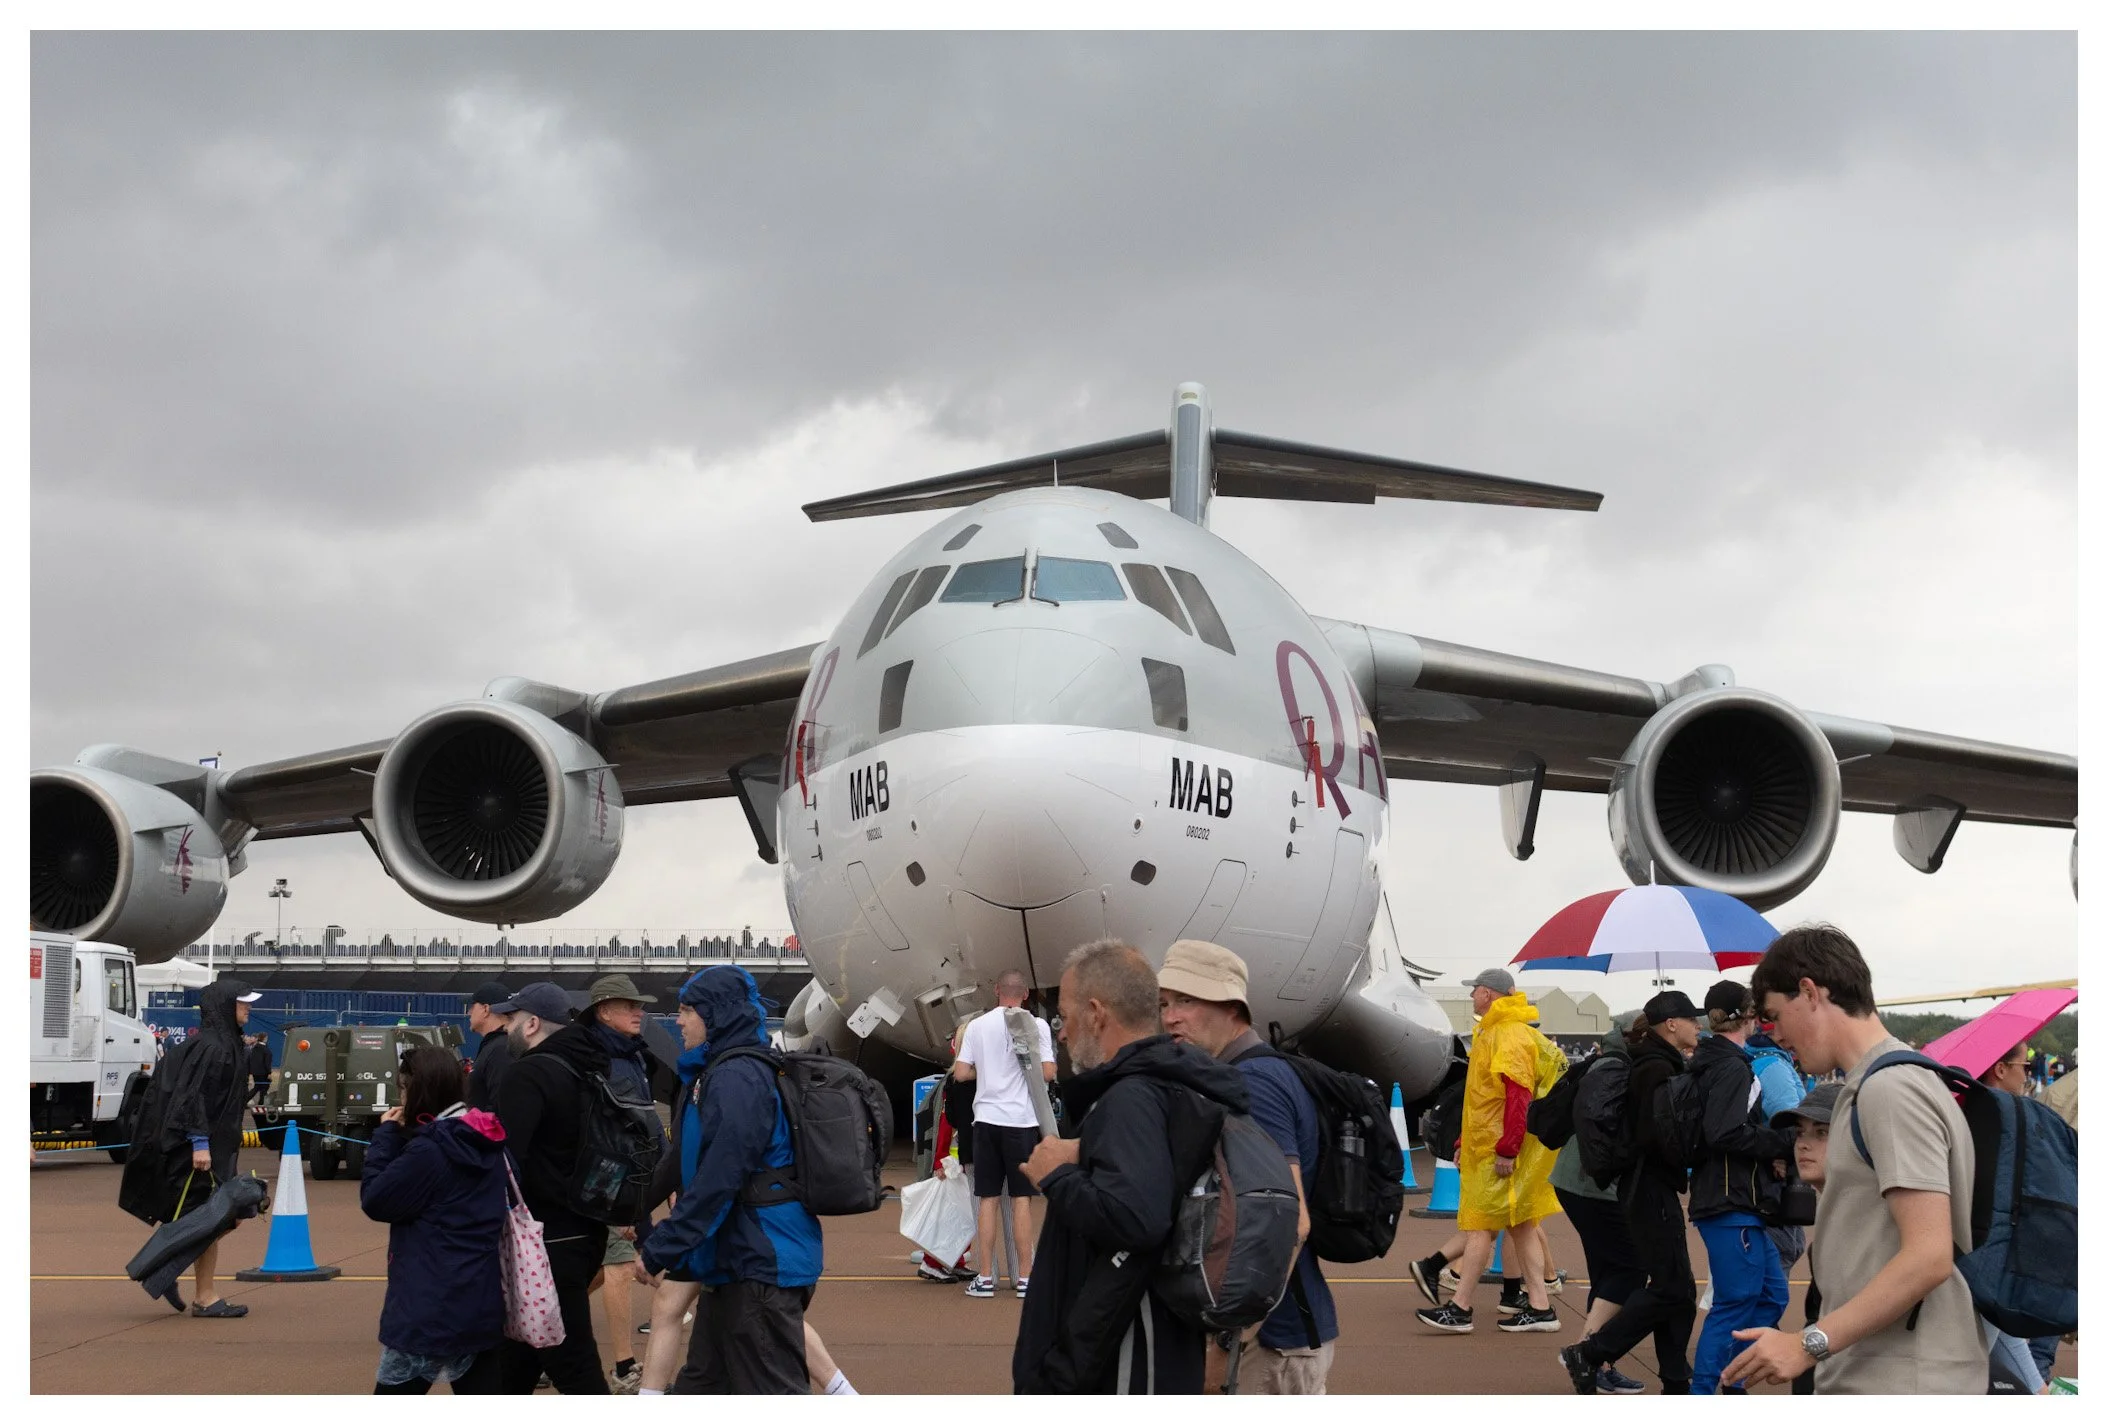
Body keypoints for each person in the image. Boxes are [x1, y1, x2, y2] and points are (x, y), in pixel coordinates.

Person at [1722, 924, 1988, 1394]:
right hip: (1889, 1368)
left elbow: (1929, 1256)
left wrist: (1807, 1344)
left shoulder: (1890, 1088)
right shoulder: (1879, 1083)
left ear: (1809, 992)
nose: (1776, 1035)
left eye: (1774, 1016)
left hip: (1903, 1378)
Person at [1013, 939, 1249, 1394]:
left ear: (1098, 1014)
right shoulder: (1166, 1087)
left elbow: (1136, 1218)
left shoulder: (1131, 1097)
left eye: (1065, 1016)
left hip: (1127, 1357)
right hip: (1148, 1347)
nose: (1061, 1033)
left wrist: (1055, 1176)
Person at [1156, 940, 1337, 1394]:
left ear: (1231, 1008)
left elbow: (1290, 1220)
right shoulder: (1241, 1074)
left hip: (1269, 1343)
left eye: (1187, 1000)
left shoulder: (1253, 1083)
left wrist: (1226, 1343)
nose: (1170, 1016)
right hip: (1278, 1331)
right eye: (1164, 1003)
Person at [635, 966, 823, 1395]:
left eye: (687, 1010)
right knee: (702, 1386)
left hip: (760, 1263)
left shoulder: (737, 1076)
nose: (678, 1020)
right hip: (733, 1264)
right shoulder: (717, 1071)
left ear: (716, 1014)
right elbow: (683, 1162)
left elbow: (720, 1175)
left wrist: (662, 1247)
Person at [1558, 991, 1702, 1393]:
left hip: (1646, 1187)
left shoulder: (1655, 1062)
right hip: (1649, 1187)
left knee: (1679, 1288)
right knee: (1671, 1287)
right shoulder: (1656, 1068)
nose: (1698, 1026)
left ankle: (1675, 1379)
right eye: (1692, 1019)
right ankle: (1590, 1352)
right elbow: (1652, 1132)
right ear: (1671, 1024)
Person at [1417, 968, 1562, 1334]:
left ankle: (1461, 1307)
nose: (1471, 998)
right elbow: (1486, 1099)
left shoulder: (1507, 1035)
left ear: (1489, 994)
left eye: (1475, 991)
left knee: (1480, 1227)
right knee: (1523, 1226)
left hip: (1498, 1151)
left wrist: (1507, 1149)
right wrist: (1466, 1142)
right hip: (1491, 1146)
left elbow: (1518, 1096)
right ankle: (1541, 1308)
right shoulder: (1497, 1032)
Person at [485, 981, 613, 1394]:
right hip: (585, 1228)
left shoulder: (528, 1074)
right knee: (511, 1364)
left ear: (534, 1023)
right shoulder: (589, 1068)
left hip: (542, 1243)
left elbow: (506, 1161)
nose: (506, 1029)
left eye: (512, 1021)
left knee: (575, 1367)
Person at [358, 1045, 509, 1395]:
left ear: (418, 1092)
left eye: (404, 1088)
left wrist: (386, 1136)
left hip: (426, 1302)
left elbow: (377, 1200)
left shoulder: (430, 1149)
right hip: (479, 1297)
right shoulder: (486, 1137)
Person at [117, 977, 264, 1318]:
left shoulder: (224, 1044)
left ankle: (170, 1265)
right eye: (243, 1002)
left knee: (221, 1218)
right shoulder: (214, 1048)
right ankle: (202, 1294)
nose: (249, 1007)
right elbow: (192, 1097)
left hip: (216, 1147)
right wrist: (200, 1144)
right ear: (226, 1006)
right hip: (202, 1150)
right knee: (214, 1217)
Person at [1686, 980, 1798, 1394]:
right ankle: (1705, 1392)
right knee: (1735, 1302)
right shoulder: (1731, 1066)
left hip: (1729, 1198)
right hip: (1731, 1200)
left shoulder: (1710, 1061)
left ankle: (1733, 1380)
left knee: (1771, 1294)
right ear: (1748, 1016)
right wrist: (1782, 1142)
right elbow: (1725, 1132)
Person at [1546, 1019, 1649, 1394]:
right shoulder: (1621, 1072)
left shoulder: (1602, 1066)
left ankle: (1598, 1363)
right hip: (1593, 1186)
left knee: (1608, 1272)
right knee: (1632, 1269)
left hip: (1575, 1182)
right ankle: (1586, 1352)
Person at [577, 973, 664, 1393]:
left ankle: (545, 1324)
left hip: (635, 1178)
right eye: (629, 1006)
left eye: (639, 1005)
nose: (639, 1012)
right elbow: (601, 1130)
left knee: (603, 1266)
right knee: (621, 1265)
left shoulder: (632, 1055)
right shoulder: (594, 1056)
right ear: (603, 1011)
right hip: (609, 1178)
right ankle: (624, 1366)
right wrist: (617, 1198)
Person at [950, 969, 1056, 1299]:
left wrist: (989, 1069)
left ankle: (985, 1277)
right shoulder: (1036, 1025)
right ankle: (1025, 1277)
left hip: (985, 1120)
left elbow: (961, 1072)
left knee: (987, 1199)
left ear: (996, 991)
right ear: (1026, 994)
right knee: (1021, 1199)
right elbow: (1049, 1073)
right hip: (1021, 1122)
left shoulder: (977, 1027)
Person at [463, 981, 514, 1111]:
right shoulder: (496, 1045)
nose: (469, 1012)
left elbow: (500, 1107)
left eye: (472, 1007)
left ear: (485, 1009)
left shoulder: (500, 1049)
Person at [245, 1033, 274, 1125]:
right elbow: (267, 1062)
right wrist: (269, 1072)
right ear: (264, 1038)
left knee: (257, 1087)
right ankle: (261, 1103)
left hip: (255, 1072)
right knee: (264, 1087)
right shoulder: (265, 1050)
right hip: (263, 1072)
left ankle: (250, 1100)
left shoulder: (254, 1048)